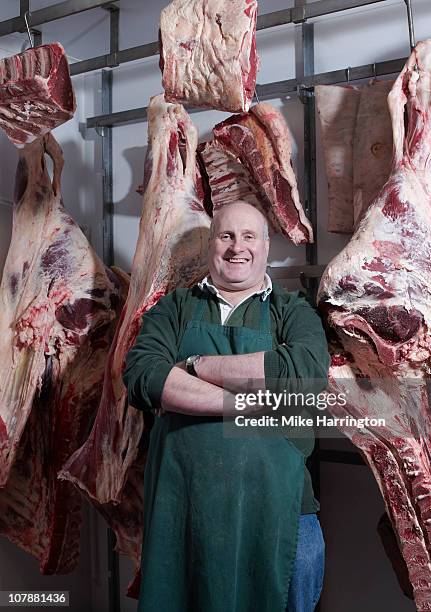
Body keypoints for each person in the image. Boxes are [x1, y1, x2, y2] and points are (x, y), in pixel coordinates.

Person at [123, 200, 330, 612]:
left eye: (249, 236)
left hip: (283, 516)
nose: (238, 247)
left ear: (266, 247)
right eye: (227, 235)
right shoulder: (175, 308)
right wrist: (248, 401)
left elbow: (303, 371)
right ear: (211, 246)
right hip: (185, 515)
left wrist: (195, 367)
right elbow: (145, 375)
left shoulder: (292, 311)